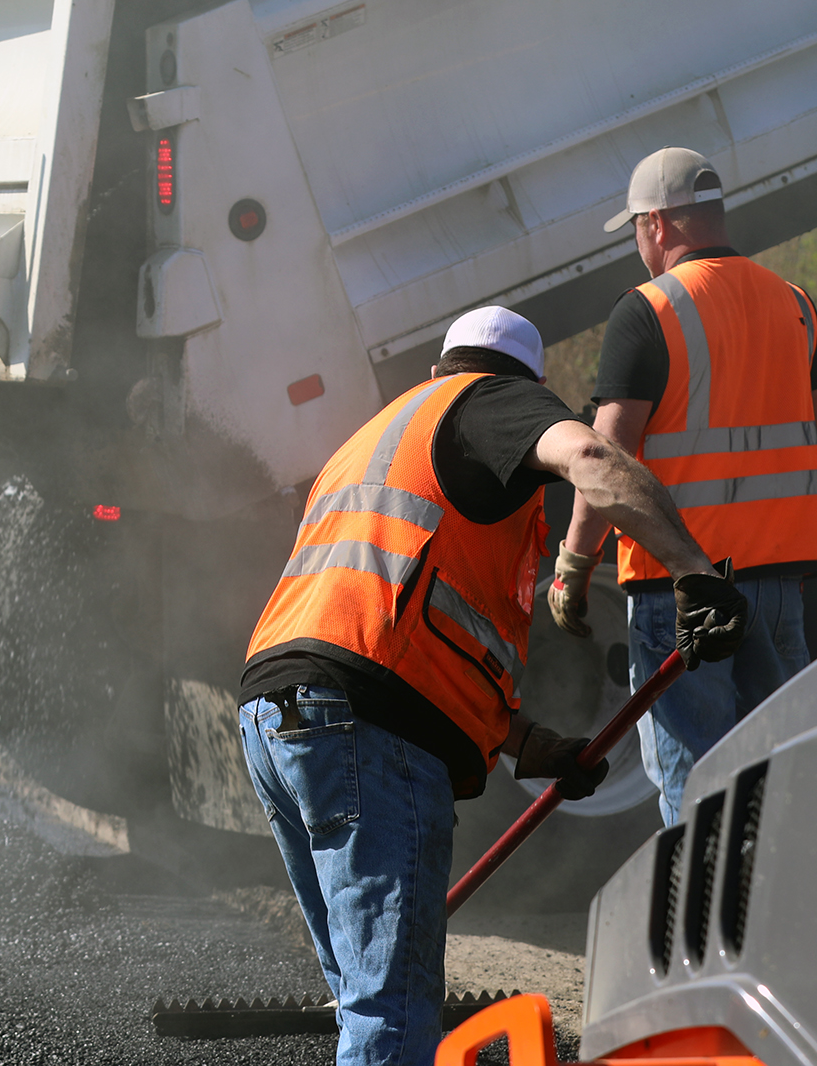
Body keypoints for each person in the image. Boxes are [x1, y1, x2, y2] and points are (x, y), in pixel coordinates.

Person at [239, 306, 747, 1066]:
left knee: (362, 991)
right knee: (394, 1005)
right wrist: (694, 571)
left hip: (276, 717)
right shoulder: (492, 401)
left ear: (441, 363)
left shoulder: (378, 436)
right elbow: (595, 458)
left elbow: (406, 625)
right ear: (525, 382)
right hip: (366, 725)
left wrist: (534, 745)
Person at [550, 147, 817, 827]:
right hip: (776, 584)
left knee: (695, 781)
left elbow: (603, 456)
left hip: (684, 593)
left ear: (655, 223)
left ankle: (703, 934)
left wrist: (574, 564)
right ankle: (769, 920)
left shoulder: (647, 310)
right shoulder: (793, 302)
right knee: (774, 770)